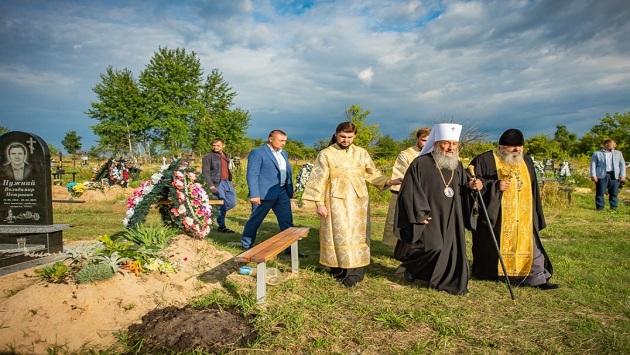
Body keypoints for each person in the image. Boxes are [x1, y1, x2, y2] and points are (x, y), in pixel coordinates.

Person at [302, 122, 401, 287]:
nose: (346, 140)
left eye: (349, 137)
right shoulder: (326, 154)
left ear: (354, 136)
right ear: (336, 134)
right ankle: (339, 270)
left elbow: (372, 174)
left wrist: (389, 181)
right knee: (340, 234)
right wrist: (319, 203)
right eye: (342, 136)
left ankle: (356, 272)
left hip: (358, 202)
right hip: (335, 201)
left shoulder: (362, 153)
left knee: (358, 234)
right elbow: (318, 180)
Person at [468, 128, 559, 290]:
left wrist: (536, 212)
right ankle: (498, 274)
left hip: (524, 214)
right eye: (513, 147)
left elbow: (533, 189)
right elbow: (473, 183)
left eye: (520, 146)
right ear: (502, 147)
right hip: (498, 216)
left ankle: (537, 278)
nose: (517, 150)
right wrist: (495, 186)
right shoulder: (485, 159)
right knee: (495, 245)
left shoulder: (527, 161)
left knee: (531, 245)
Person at [394, 123, 479, 295]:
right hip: (429, 214)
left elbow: (463, 187)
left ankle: (444, 280)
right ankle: (412, 266)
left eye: (454, 144)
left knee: (450, 249)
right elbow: (410, 190)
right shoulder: (420, 163)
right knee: (434, 247)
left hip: (452, 215)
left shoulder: (457, 165)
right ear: (435, 143)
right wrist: (418, 213)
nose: (450, 147)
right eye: (446, 143)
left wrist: (472, 186)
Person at [241, 130, 305, 256]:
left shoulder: (284, 153)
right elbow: (252, 174)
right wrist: (254, 194)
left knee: (287, 221)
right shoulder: (258, 153)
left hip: (282, 192)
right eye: (281, 140)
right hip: (263, 194)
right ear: (271, 139)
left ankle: (290, 249)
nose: (284, 143)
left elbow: (287, 173)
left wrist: (290, 190)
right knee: (255, 220)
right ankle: (246, 245)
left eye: (285, 141)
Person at [382, 127, 431, 246]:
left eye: (429, 141)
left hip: (428, 194)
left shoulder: (434, 154)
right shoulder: (406, 154)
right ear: (417, 139)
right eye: (424, 140)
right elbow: (402, 175)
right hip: (409, 193)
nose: (426, 144)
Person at [202, 138, 237, 233]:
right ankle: (222, 226)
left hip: (227, 181)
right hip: (217, 182)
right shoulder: (208, 156)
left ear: (223, 146)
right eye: (214, 145)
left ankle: (212, 212)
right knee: (222, 202)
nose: (216, 147)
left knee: (232, 202)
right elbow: (205, 172)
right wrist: (211, 185)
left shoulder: (226, 155)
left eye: (218, 145)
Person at [590, 139, 626, 211]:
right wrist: (593, 175)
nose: (614, 146)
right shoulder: (597, 153)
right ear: (606, 144)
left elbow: (622, 164)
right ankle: (600, 208)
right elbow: (593, 165)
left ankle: (613, 208)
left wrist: (622, 175)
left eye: (615, 144)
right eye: (612, 144)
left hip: (614, 175)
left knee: (614, 192)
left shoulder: (618, 153)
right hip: (602, 175)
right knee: (600, 192)